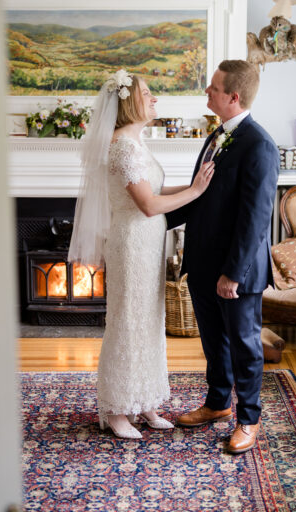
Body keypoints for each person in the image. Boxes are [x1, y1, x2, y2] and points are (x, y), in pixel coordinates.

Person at [68, 70, 215, 439]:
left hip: (149, 244)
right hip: (132, 244)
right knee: (128, 323)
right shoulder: (121, 146)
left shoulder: (136, 143)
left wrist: (203, 187)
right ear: (128, 101)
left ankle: (145, 402)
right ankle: (118, 408)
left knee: (150, 322)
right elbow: (149, 205)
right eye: (147, 93)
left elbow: (158, 191)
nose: (154, 100)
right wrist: (196, 192)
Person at [167, 60, 279, 454]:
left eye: (213, 88)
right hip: (202, 263)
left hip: (237, 272)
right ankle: (217, 403)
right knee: (214, 342)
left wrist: (233, 273)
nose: (207, 93)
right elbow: (201, 197)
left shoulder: (260, 145)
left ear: (234, 96)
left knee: (245, 346)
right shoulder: (216, 135)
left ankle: (248, 419)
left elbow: (256, 219)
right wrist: (149, 219)